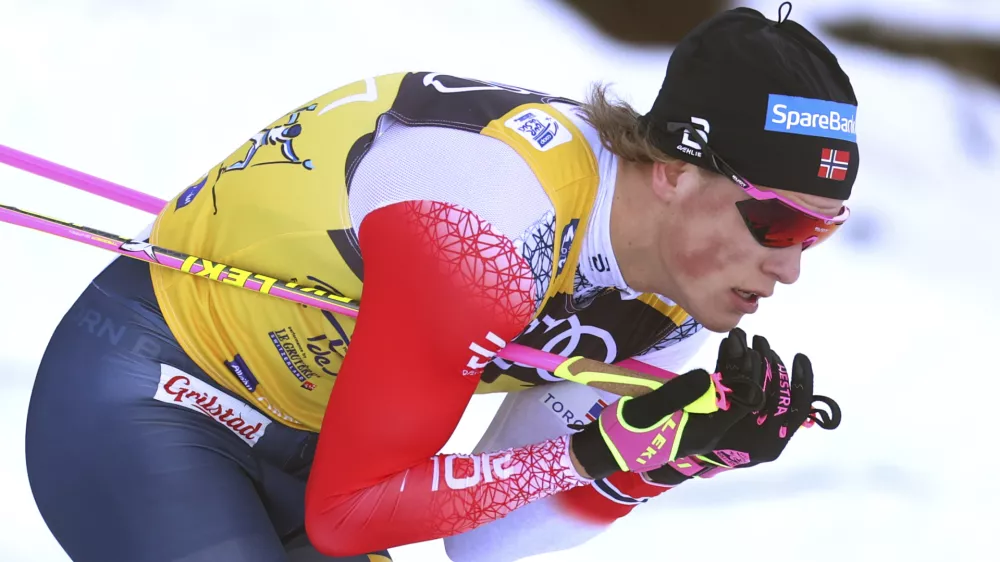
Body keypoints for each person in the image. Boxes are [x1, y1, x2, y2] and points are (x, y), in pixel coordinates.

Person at [23, 5, 855, 562]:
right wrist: (596, 452)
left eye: (821, 231)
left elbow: (481, 544)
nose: (790, 266)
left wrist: (655, 464)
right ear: (674, 170)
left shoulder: (671, 300)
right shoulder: (486, 226)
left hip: (321, 447)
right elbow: (348, 517)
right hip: (159, 391)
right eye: (778, 223)